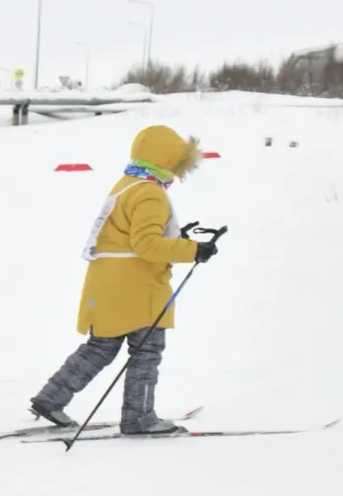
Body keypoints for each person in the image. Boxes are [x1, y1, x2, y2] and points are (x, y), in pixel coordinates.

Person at [30, 124, 215, 435]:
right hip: (137, 287)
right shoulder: (150, 193)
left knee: (100, 346)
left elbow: (128, 237)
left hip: (109, 281)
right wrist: (193, 249)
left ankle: (51, 398)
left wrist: (177, 239)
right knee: (146, 350)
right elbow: (146, 245)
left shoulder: (128, 183)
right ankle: (139, 417)